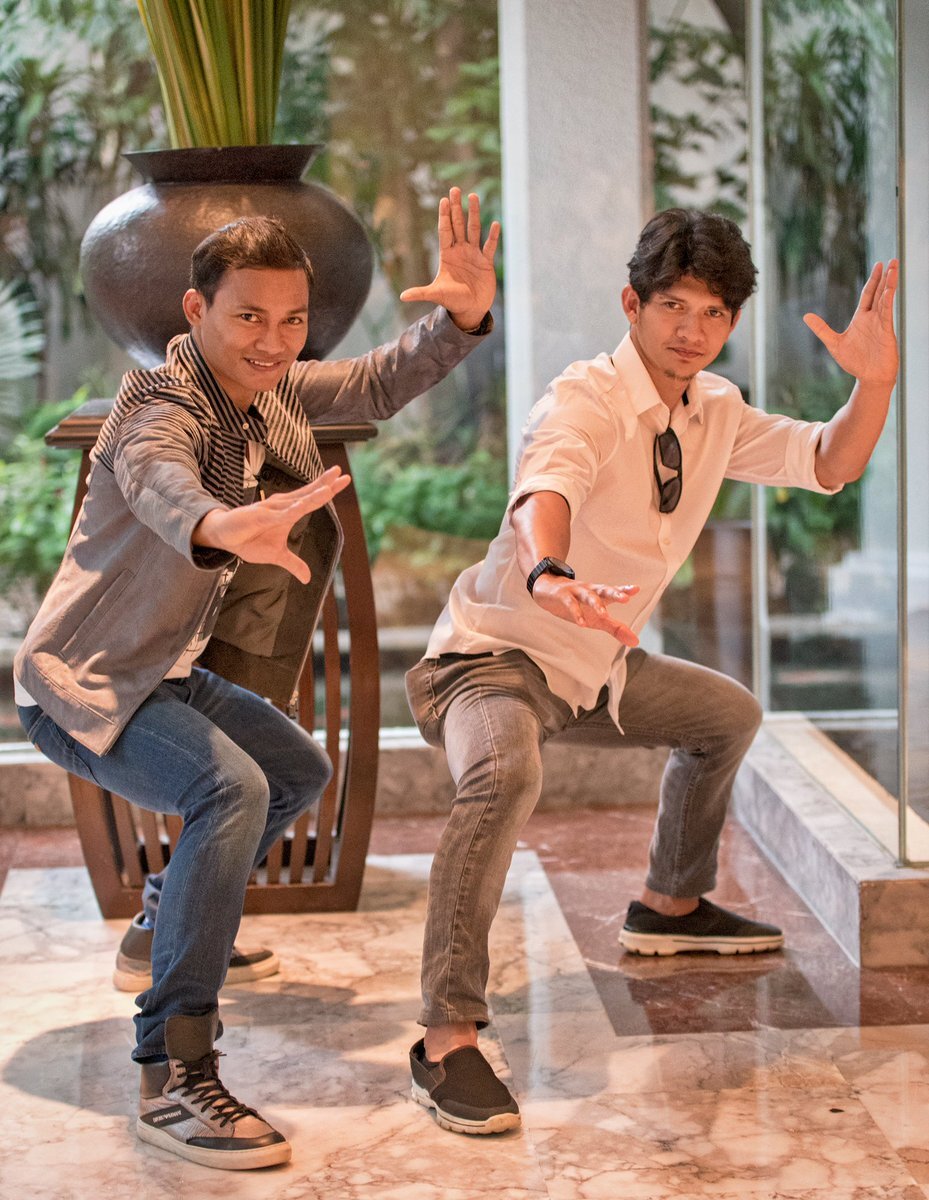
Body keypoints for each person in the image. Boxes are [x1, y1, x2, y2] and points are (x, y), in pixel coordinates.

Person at [14, 187, 499, 1170]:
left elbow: (370, 385)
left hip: (166, 674)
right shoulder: (156, 406)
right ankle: (171, 1070)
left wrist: (458, 322)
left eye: (290, 320)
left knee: (292, 775)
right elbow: (160, 480)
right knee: (228, 789)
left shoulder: (265, 391)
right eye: (249, 318)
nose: (273, 341)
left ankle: (161, 923)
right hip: (86, 684)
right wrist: (219, 523)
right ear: (196, 311)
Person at [404, 207, 899, 1136]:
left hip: (594, 664)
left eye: (712, 313)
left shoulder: (714, 409)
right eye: (673, 305)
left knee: (725, 715)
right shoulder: (585, 397)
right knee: (503, 773)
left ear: (730, 323)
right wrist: (550, 574)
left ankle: (670, 904)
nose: (690, 330)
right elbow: (545, 488)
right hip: (493, 660)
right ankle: (444, 1036)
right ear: (632, 305)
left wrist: (873, 385)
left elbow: (829, 461)